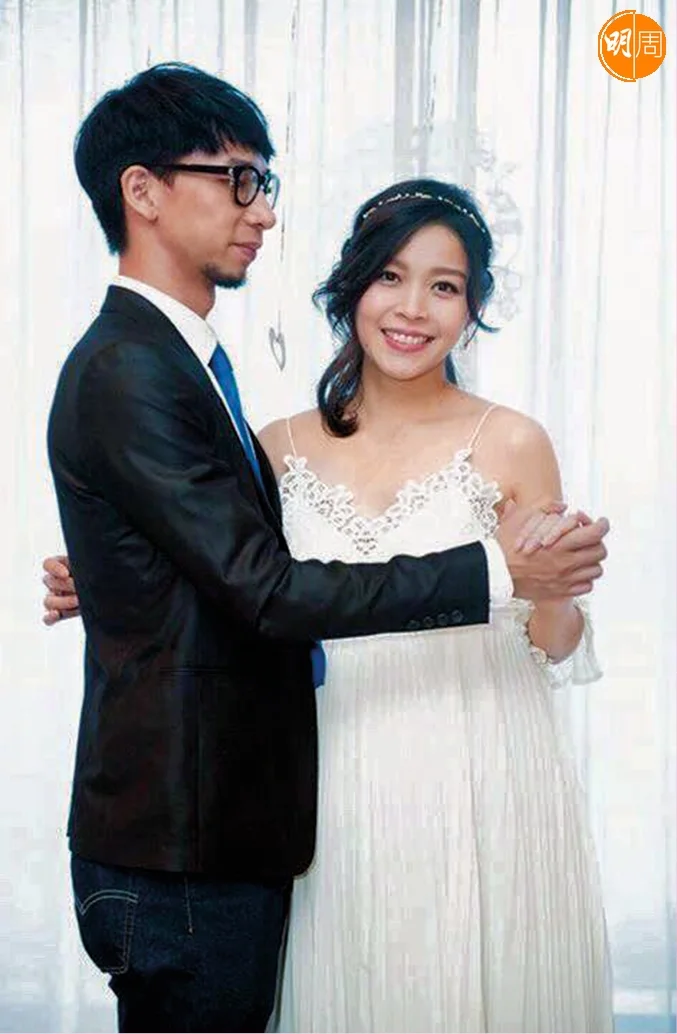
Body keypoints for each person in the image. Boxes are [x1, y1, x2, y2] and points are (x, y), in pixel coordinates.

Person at [43, 60, 610, 1034]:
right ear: (352, 288)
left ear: (471, 305)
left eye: (444, 286)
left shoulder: (511, 440)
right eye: (389, 276)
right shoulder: (257, 433)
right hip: (325, 786)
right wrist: (112, 575)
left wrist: (548, 584)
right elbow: (260, 582)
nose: (411, 308)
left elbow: (552, 636)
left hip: (473, 774)